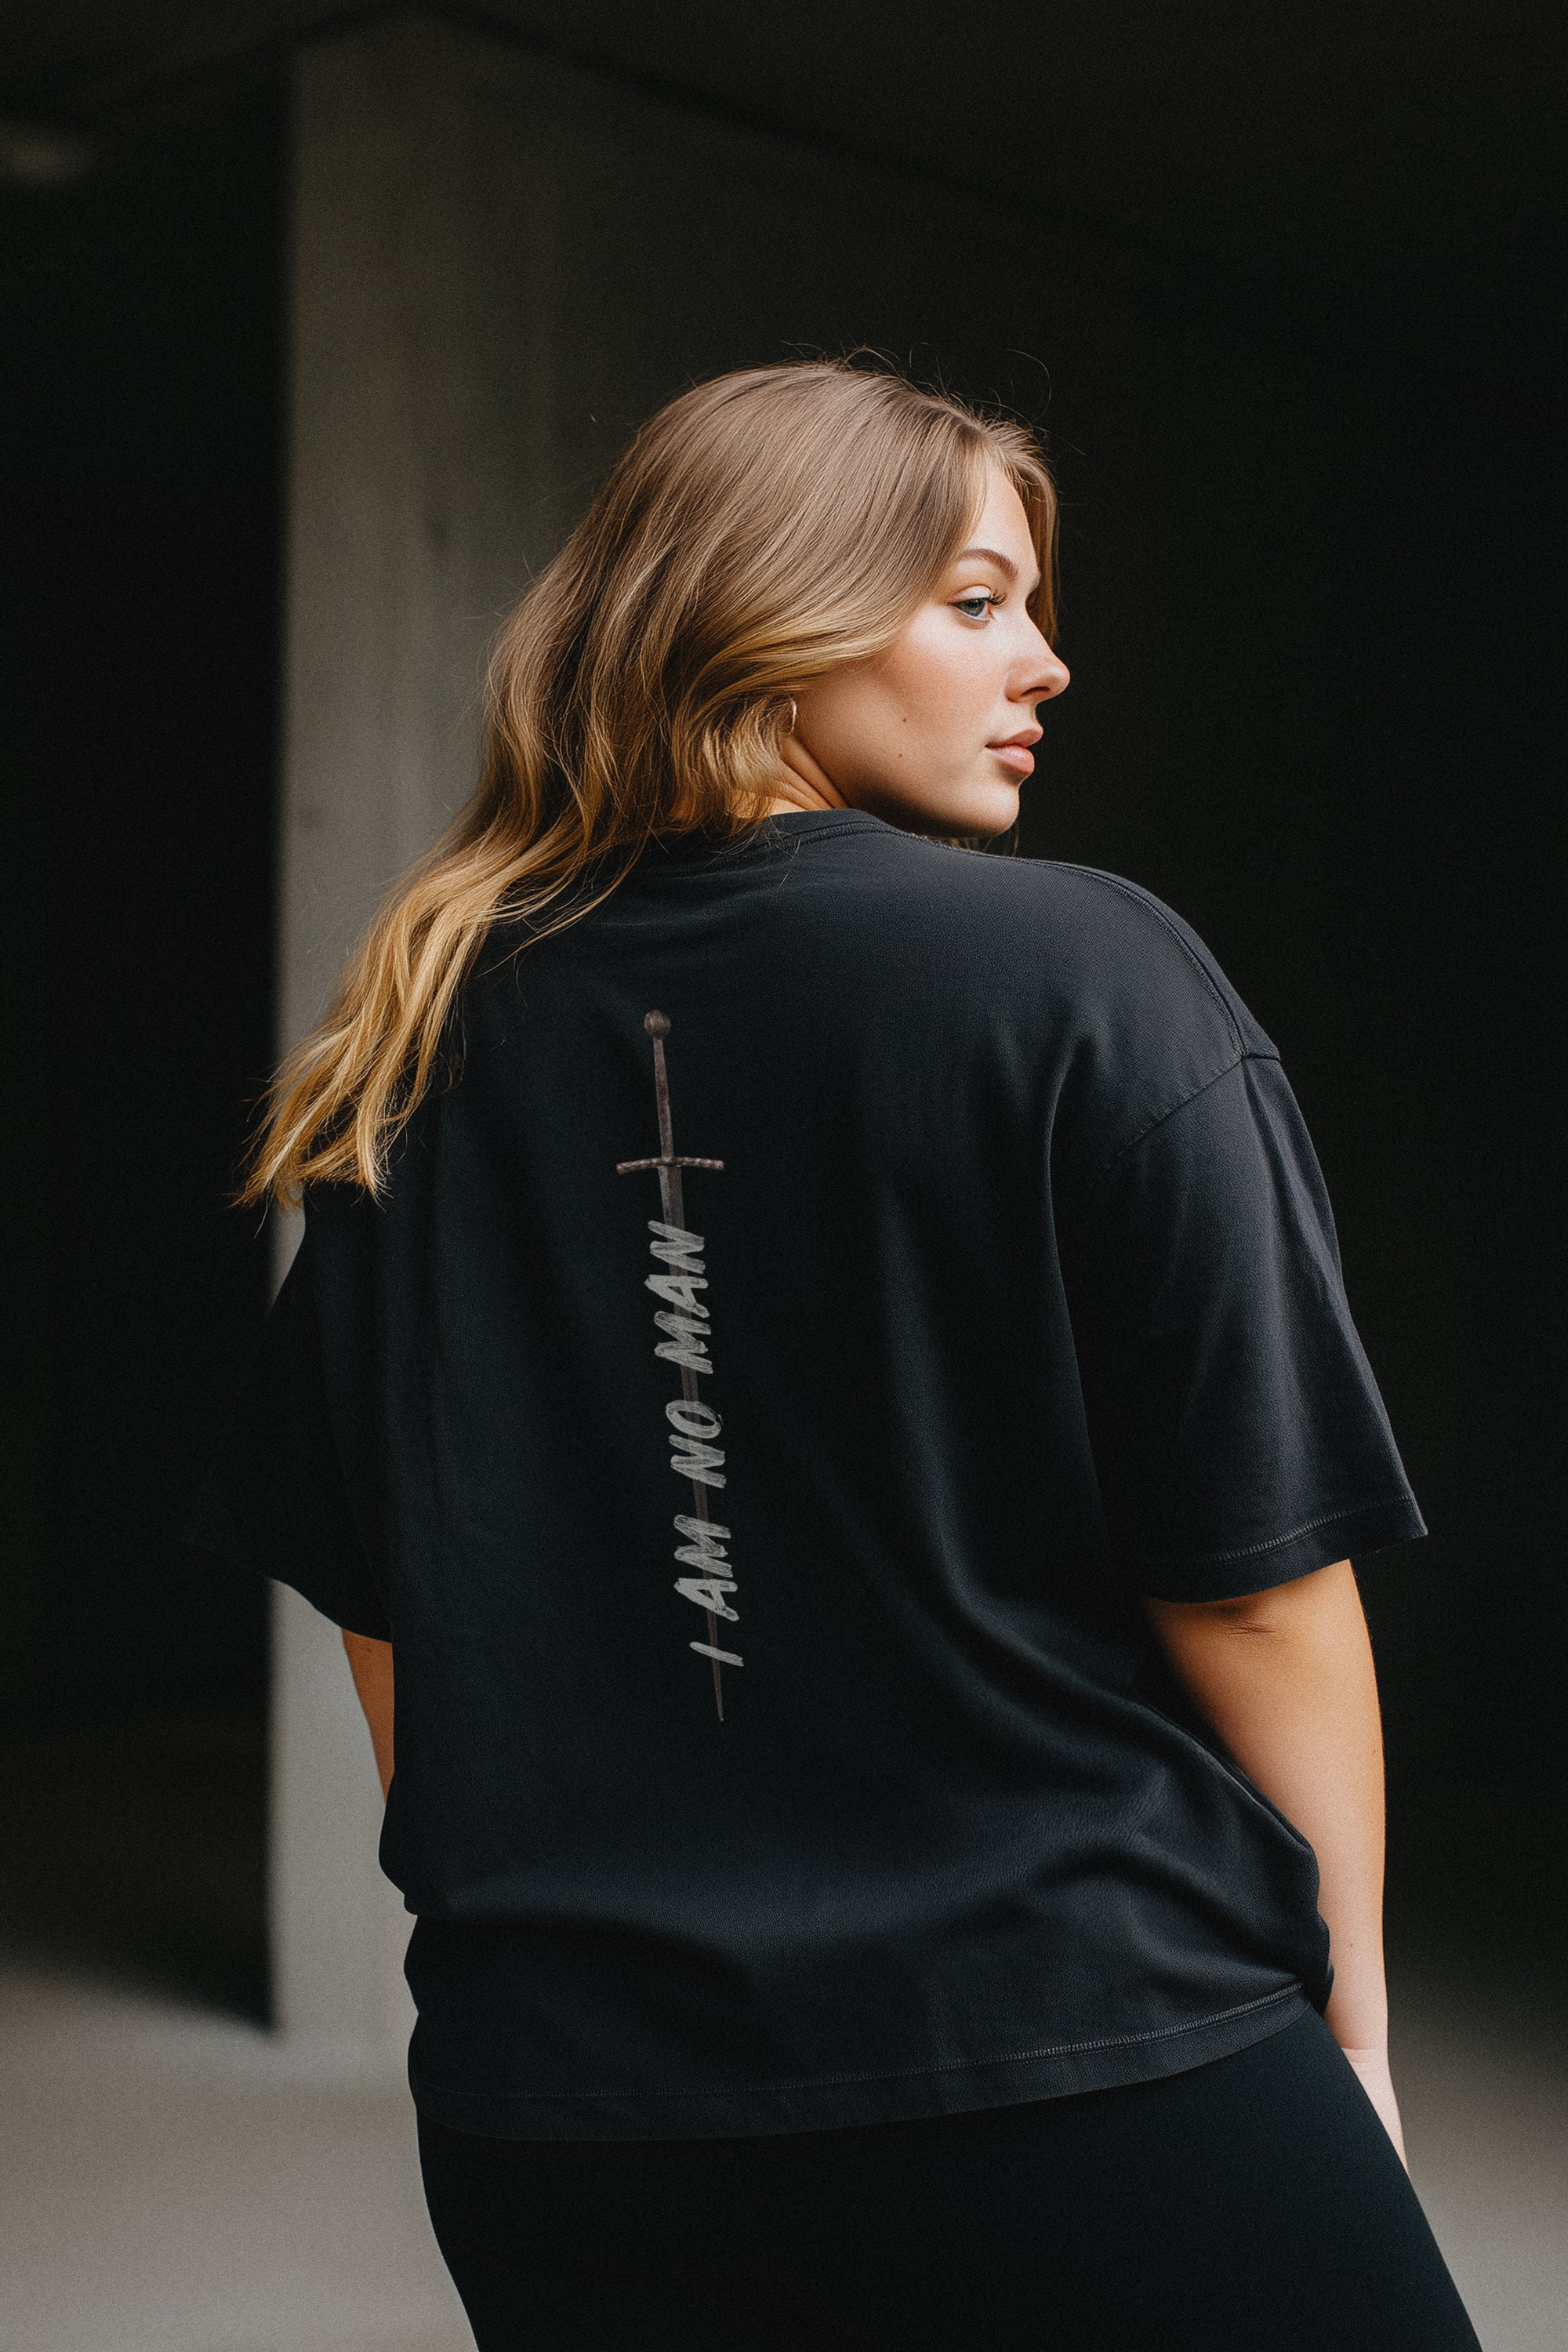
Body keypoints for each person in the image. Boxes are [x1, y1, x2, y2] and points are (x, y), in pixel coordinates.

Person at [187, 361, 1481, 2350]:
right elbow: (1253, 1586)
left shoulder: (433, 1031)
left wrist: (562, 1939)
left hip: (566, 2109)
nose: (1044, 661)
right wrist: (1353, 2023)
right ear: (764, 610)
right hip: (1081, 2052)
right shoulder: (1085, 976)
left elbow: (397, 1620)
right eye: (974, 601)